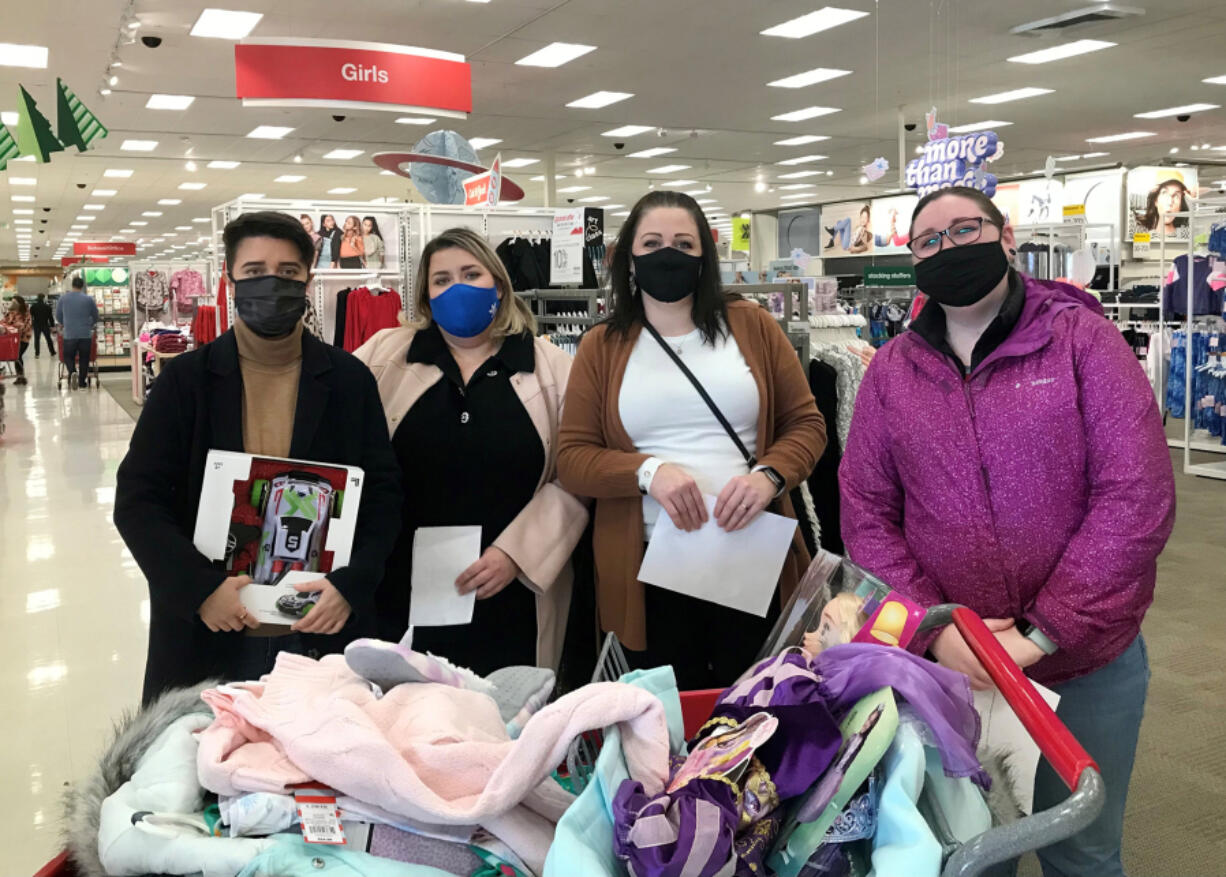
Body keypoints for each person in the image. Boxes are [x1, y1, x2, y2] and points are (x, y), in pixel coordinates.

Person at [839, 186, 1176, 877]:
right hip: (955, 670)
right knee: (966, 849)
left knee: (1081, 850)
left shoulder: (1084, 341)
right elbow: (867, 512)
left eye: (965, 230)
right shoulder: (892, 373)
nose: (948, 249)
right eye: (928, 241)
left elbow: (1136, 495)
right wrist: (940, 629)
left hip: (1087, 664)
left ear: (1006, 236)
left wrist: (1040, 633)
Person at [114, 211, 402, 706]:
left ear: (308, 279)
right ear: (230, 280)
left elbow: (382, 493)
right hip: (211, 632)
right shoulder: (186, 382)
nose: (273, 284)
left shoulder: (350, 379)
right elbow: (139, 502)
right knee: (203, 769)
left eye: (289, 273)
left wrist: (351, 586)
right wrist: (200, 590)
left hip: (320, 631)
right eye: (254, 273)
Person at [557, 190, 825, 689]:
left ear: (705, 254)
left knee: (760, 712)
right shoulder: (602, 345)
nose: (669, 254)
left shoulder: (752, 326)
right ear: (629, 258)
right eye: (653, 242)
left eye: (684, 243)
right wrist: (648, 472)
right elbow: (572, 458)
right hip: (645, 567)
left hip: (750, 557)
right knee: (663, 724)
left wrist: (769, 477)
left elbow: (807, 425)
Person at [355, 228, 587, 673]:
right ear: (425, 294)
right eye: (441, 279)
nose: (456, 287)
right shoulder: (383, 358)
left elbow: (574, 475)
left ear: (498, 284)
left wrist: (516, 554)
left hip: (513, 588)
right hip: (400, 585)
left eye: (470, 273)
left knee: (506, 718)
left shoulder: (552, 369)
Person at [56, 276, 98, 389]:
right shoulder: (89, 299)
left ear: (72, 285)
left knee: (68, 356)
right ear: (82, 286)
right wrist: (89, 324)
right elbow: (95, 315)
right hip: (85, 334)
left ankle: (72, 372)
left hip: (69, 334)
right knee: (84, 358)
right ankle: (81, 382)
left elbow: (58, 316)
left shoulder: (63, 299)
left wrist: (65, 323)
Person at [1, 295, 32, 385]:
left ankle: (21, 377)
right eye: (12, 302)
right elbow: (4, 322)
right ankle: (20, 377)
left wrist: (13, 328)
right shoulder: (10, 312)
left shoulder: (25, 312)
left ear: (20, 303)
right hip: (12, 339)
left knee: (18, 356)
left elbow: (25, 325)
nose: (13, 304)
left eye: (15, 302)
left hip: (23, 339)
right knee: (16, 357)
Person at [29, 292, 55, 358]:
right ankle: (52, 352)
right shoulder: (47, 307)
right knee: (48, 339)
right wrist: (52, 326)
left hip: (36, 324)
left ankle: (37, 354)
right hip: (45, 324)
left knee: (37, 339)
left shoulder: (33, 306)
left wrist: (31, 324)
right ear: (43, 298)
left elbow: (30, 317)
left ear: (38, 297)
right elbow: (50, 317)